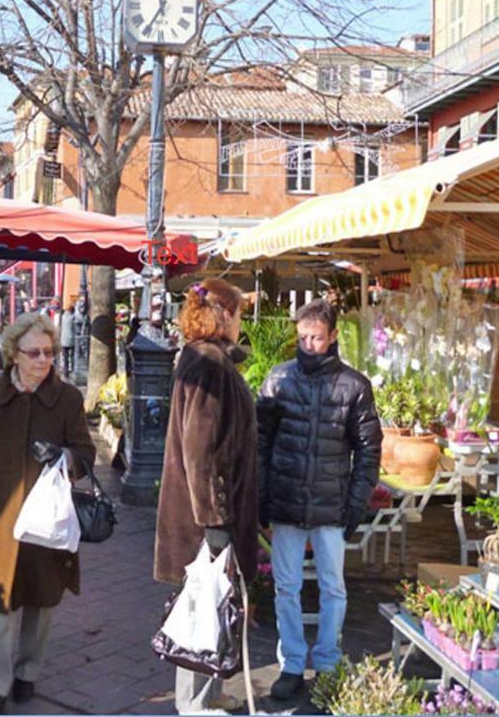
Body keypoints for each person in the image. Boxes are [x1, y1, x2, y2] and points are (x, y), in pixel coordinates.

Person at [0, 311, 97, 715]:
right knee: (1, 600)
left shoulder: (68, 398)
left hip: (47, 516)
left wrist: (66, 457)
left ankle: (27, 674)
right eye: (35, 352)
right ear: (14, 354)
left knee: (42, 598)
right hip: (0, 514)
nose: (44, 360)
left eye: (50, 352)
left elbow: (87, 454)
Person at [256, 299, 382, 702]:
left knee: (333, 589)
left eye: (316, 338)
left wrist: (357, 503)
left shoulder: (355, 386)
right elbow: (260, 443)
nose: (309, 345)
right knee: (286, 588)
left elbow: (368, 450)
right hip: (287, 501)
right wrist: (262, 498)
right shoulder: (278, 380)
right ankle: (292, 662)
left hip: (331, 504)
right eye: (303, 337)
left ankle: (327, 662)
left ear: (332, 338)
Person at [155, 278, 257, 715]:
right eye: (238, 314)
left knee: (215, 602)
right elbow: (200, 450)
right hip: (204, 517)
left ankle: (210, 693)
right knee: (201, 604)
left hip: (212, 510)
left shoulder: (207, 360)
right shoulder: (207, 364)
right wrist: (214, 522)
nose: (240, 323)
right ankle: (194, 704)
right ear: (224, 315)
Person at [59, 304, 76, 375]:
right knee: (72, 355)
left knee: (65, 356)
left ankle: (65, 370)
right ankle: (72, 369)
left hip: (63, 339)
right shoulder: (72, 317)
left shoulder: (62, 317)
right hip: (71, 339)